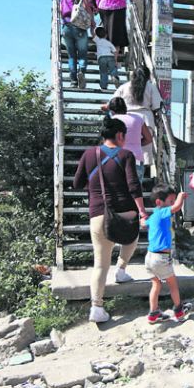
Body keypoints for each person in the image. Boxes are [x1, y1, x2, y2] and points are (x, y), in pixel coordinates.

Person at [73, 116, 149, 323]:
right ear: (119, 135)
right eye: (124, 136)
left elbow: (77, 183)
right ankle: (122, 269)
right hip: (126, 211)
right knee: (131, 238)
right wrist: (142, 211)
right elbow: (134, 185)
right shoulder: (126, 155)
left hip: (99, 214)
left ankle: (96, 307)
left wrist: (96, 185)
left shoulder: (89, 154)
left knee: (100, 265)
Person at [144, 185, 191, 323]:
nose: (172, 203)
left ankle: (153, 313)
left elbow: (143, 223)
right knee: (173, 285)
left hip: (149, 257)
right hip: (161, 258)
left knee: (156, 285)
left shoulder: (153, 216)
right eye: (171, 200)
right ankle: (179, 311)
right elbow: (176, 208)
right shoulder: (162, 212)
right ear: (159, 202)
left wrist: (142, 220)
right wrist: (181, 198)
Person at [105, 67, 163, 173]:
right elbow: (156, 106)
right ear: (147, 75)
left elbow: (112, 102)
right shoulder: (151, 87)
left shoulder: (124, 87)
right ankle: (140, 170)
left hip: (126, 119)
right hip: (145, 118)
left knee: (124, 145)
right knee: (143, 152)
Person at [95, 0, 133, 66]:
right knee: (116, 37)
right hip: (118, 7)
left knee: (107, 34)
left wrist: (98, 6)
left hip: (104, 7)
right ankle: (113, 62)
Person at [108, 97, 153, 183]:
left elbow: (108, 143)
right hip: (136, 160)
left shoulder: (112, 120)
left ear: (112, 111)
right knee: (135, 194)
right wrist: (137, 144)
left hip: (117, 160)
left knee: (117, 193)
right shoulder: (139, 118)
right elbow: (148, 138)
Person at [60, 0, 95, 90]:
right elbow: (87, 7)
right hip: (79, 26)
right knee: (83, 53)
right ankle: (82, 71)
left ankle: (73, 80)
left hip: (66, 28)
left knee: (71, 56)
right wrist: (92, 21)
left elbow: (60, 12)